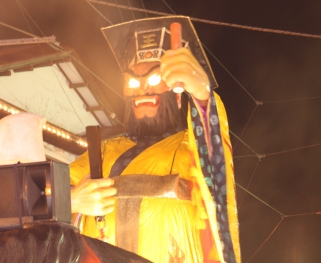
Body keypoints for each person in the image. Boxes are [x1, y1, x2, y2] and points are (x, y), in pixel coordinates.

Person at [70, 16, 241, 263]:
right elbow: (43, 197)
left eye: (153, 79)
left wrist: (202, 94)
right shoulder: (103, 153)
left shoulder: (189, 148)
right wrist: (71, 200)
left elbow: (214, 157)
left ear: (177, 92)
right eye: (132, 81)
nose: (142, 90)